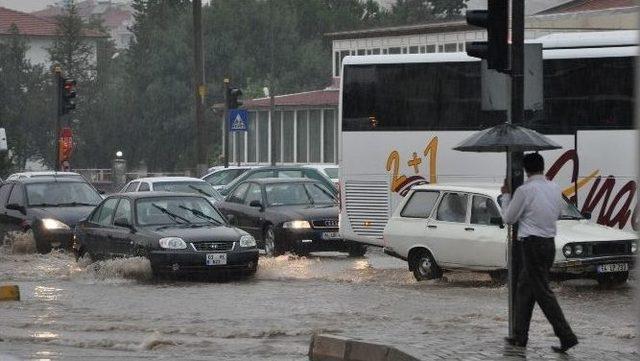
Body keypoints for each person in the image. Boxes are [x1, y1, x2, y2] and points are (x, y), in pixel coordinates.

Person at [501, 152, 578, 353]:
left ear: (526, 170)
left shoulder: (525, 191)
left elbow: (509, 218)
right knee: (525, 289)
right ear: (543, 167)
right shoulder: (554, 188)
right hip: (549, 244)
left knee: (543, 293)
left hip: (532, 245)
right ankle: (520, 336)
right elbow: (558, 213)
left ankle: (566, 336)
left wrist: (507, 195)